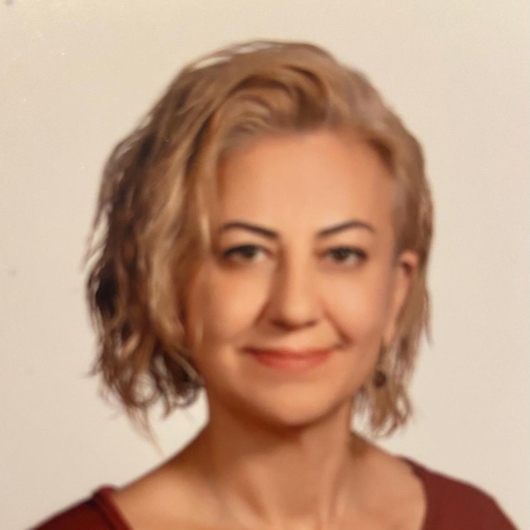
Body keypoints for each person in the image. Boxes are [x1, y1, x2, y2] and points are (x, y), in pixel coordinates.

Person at [33, 41, 516, 530]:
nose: (294, 308)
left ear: (396, 293)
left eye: (341, 254)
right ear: (169, 285)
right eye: (246, 252)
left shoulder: (474, 522)